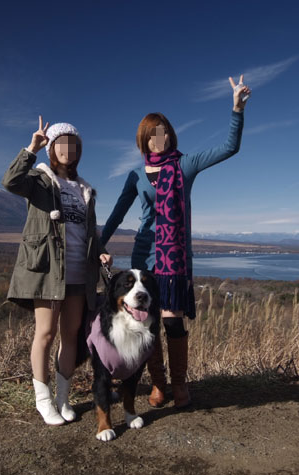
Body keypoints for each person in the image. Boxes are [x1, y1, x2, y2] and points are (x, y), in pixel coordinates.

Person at [101, 76, 251, 408]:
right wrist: (99, 244)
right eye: (154, 134)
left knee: (171, 321)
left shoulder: (185, 165)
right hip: (144, 259)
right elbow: (116, 214)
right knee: (146, 323)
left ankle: (179, 384)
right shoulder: (136, 176)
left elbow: (229, 147)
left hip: (174, 260)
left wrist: (236, 109)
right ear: (144, 140)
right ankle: (158, 384)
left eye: (165, 131)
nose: (161, 138)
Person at [3, 116, 112, 425]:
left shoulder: (84, 189)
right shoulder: (39, 180)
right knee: (46, 333)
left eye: (74, 144)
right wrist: (31, 148)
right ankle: (43, 399)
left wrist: (101, 252)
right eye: (62, 143)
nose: (68, 149)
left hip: (80, 273)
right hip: (50, 270)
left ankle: (63, 399)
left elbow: (89, 231)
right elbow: (10, 181)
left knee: (71, 336)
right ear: (52, 147)